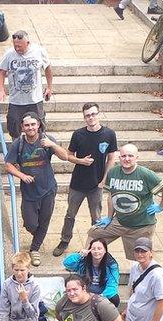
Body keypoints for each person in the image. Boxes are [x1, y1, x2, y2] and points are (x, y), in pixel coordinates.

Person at [52, 102, 118, 257]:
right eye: (87, 115)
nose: (91, 117)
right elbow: (68, 156)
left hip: (96, 184)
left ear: (98, 114)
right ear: (84, 118)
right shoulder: (78, 134)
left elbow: (111, 159)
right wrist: (81, 161)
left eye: (93, 114)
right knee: (70, 214)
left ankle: (96, 245)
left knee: (96, 217)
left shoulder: (109, 134)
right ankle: (64, 240)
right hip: (78, 183)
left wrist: (104, 180)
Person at [86, 143, 163, 260]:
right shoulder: (113, 172)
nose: (127, 159)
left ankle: (142, 276)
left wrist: (161, 207)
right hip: (119, 221)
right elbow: (111, 196)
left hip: (141, 226)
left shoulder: (145, 174)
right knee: (94, 233)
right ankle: (84, 261)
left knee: (141, 258)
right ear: (119, 157)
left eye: (130, 156)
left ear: (137, 158)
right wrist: (109, 217)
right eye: (123, 156)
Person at [4, 112, 70, 266]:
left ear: (38, 125)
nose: (30, 128)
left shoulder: (47, 140)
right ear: (22, 127)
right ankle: (37, 234)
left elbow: (65, 157)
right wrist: (21, 175)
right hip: (29, 192)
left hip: (48, 189)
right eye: (27, 125)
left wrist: (52, 145)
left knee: (44, 221)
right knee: (30, 224)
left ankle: (35, 249)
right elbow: (8, 165)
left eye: (33, 124)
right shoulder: (18, 144)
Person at [0, 30, 53, 139]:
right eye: (15, 46)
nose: (17, 49)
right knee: (14, 129)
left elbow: (48, 68)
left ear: (27, 43)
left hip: (35, 100)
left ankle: (38, 150)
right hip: (16, 101)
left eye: (20, 46)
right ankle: (17, 149)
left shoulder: (39, 51)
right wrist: (1, 89)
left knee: (39, 128)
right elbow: (1, 71)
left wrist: (49, 87)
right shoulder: (9, 54)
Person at [62, 238, 121, 307]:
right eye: (93, 249)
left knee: (114, 298)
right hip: (85, 293)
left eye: (99, 248)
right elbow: (67, 263)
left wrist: (98, 297)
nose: (96, 251)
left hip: (102, 296)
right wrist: (79, 255)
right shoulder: (84, 262)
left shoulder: (111, 265)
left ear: (105, 250)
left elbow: (112, 286)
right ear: (89, 250)